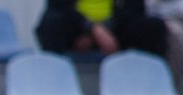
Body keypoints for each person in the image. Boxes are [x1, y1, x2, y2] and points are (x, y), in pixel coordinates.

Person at [35, 0, 167, 57]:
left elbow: (135, 9)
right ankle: (55, 79)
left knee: (154, 26)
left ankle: (146, 80)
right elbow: (59, 6)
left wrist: (106, 29)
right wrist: (92, 29)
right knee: (51, 23)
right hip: (77, 30)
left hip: (114, 31)